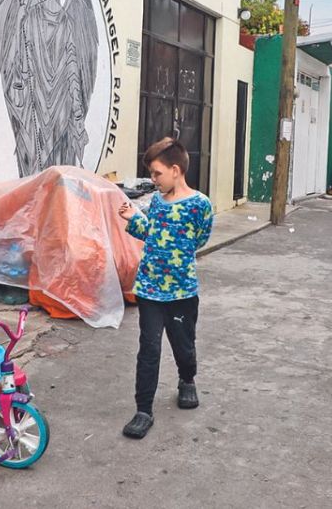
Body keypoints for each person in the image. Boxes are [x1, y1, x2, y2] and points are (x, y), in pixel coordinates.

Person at [118, 138, 214, 439]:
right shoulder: (157, 202)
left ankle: (187, 380)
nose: (153, 180)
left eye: (157, 174)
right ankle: (143, 410)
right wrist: (134, 220)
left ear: (175, 170)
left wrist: (176, 257)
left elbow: (199, 239)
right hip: (149, 290)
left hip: (182, 292)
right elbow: (153, 234)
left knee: (183, 347)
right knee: (149, 349)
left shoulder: (200, 205)